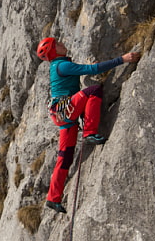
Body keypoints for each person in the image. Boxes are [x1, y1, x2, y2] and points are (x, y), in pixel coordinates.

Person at [36, 37, 141, 213]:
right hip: (65, 110)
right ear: (54, 51)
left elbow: (82, 72)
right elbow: (91, 69)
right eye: (58, 44)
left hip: (61, 114)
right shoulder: (62, 65)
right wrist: (123, 59)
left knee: (65, 156)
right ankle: (89, 133)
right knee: (94, 91)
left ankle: (53, 198)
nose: (62, 44)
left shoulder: (59, 66)